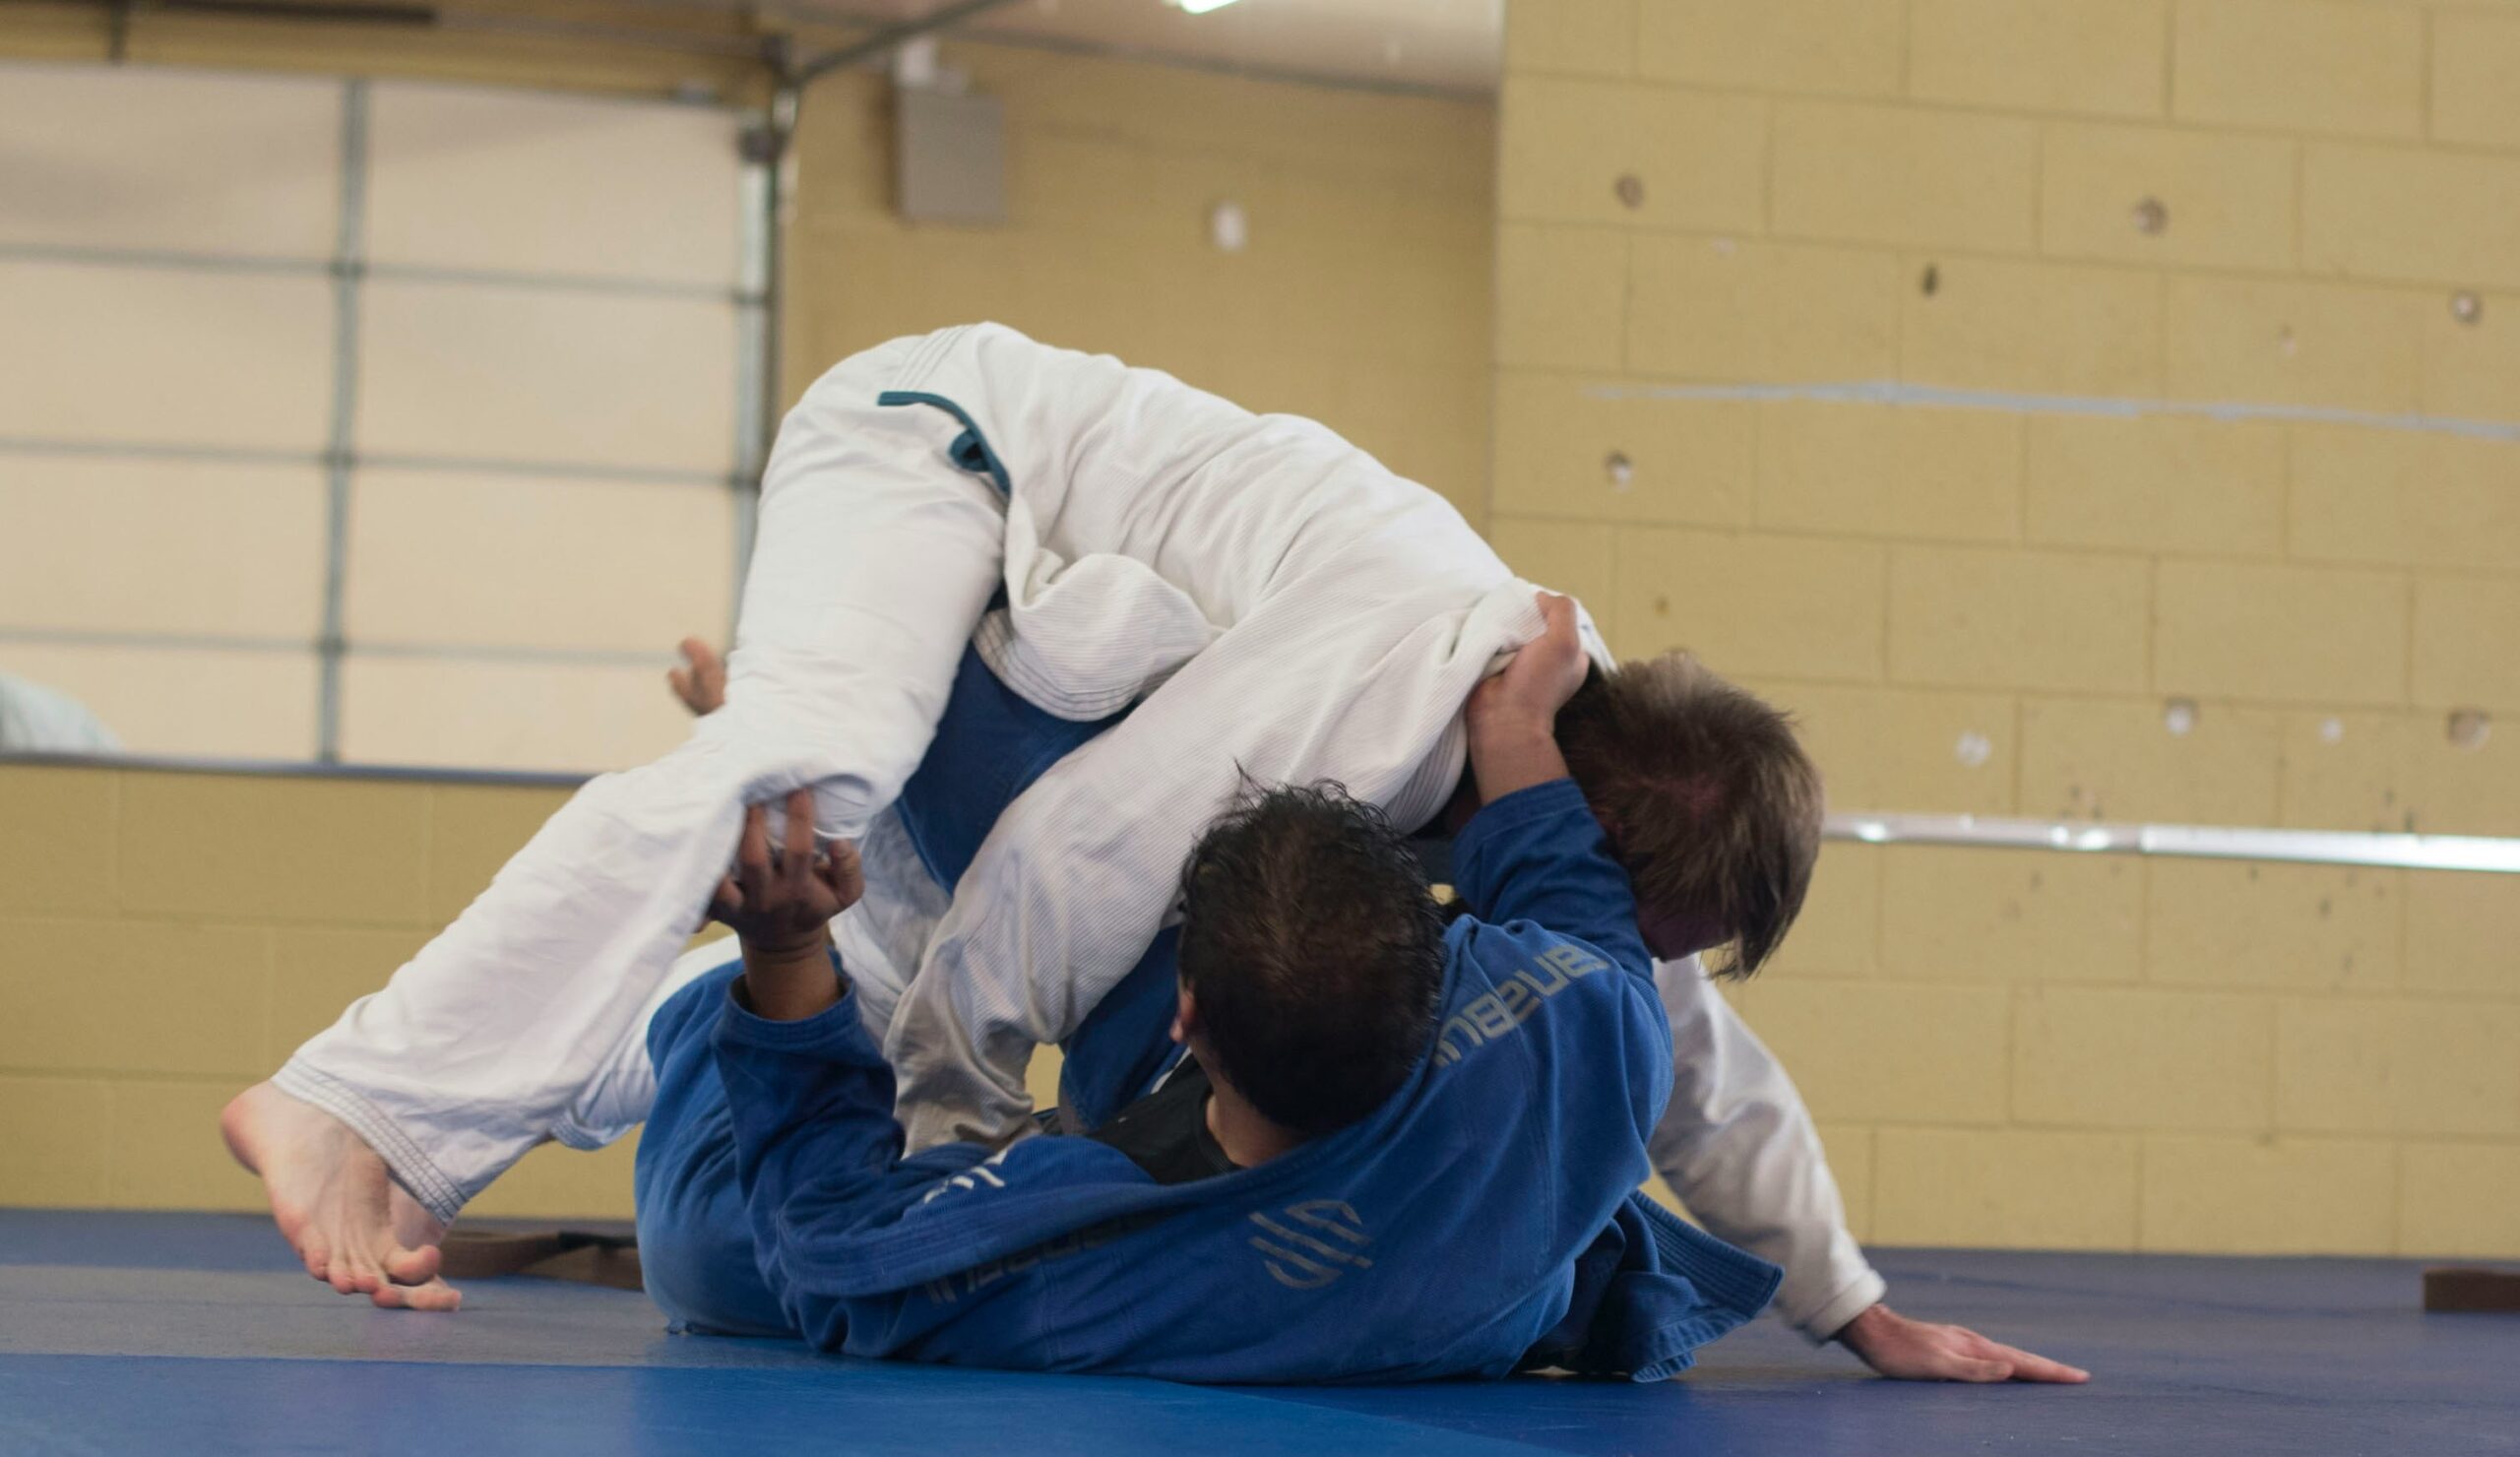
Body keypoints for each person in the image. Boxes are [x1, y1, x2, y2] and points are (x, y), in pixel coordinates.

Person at [224, 323, 2081, 1381]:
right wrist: (949, 1152)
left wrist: (1852, 1302)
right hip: (930, 449)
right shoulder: (1387, 685)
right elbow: (1063, 860)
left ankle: (681, 999)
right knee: (819, 763)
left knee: (839, 914)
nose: (1631, 946)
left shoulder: (1552, 808)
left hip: (1045, 634)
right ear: (1587, 819)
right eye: (1644, 910)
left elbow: (1685, 1048)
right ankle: (358, 1097)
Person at [631, 605, 1781, 1380]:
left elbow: (826, 1250)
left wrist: (783, 955)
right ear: (1441, 965)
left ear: (1186, 1015)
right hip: (1425, 1249)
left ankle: (712, 1003)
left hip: (1120, 1175)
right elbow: (1573, 890)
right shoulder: (1586, 1028)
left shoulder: (1105, 1257)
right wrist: (1523, 731)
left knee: (713, 1257)